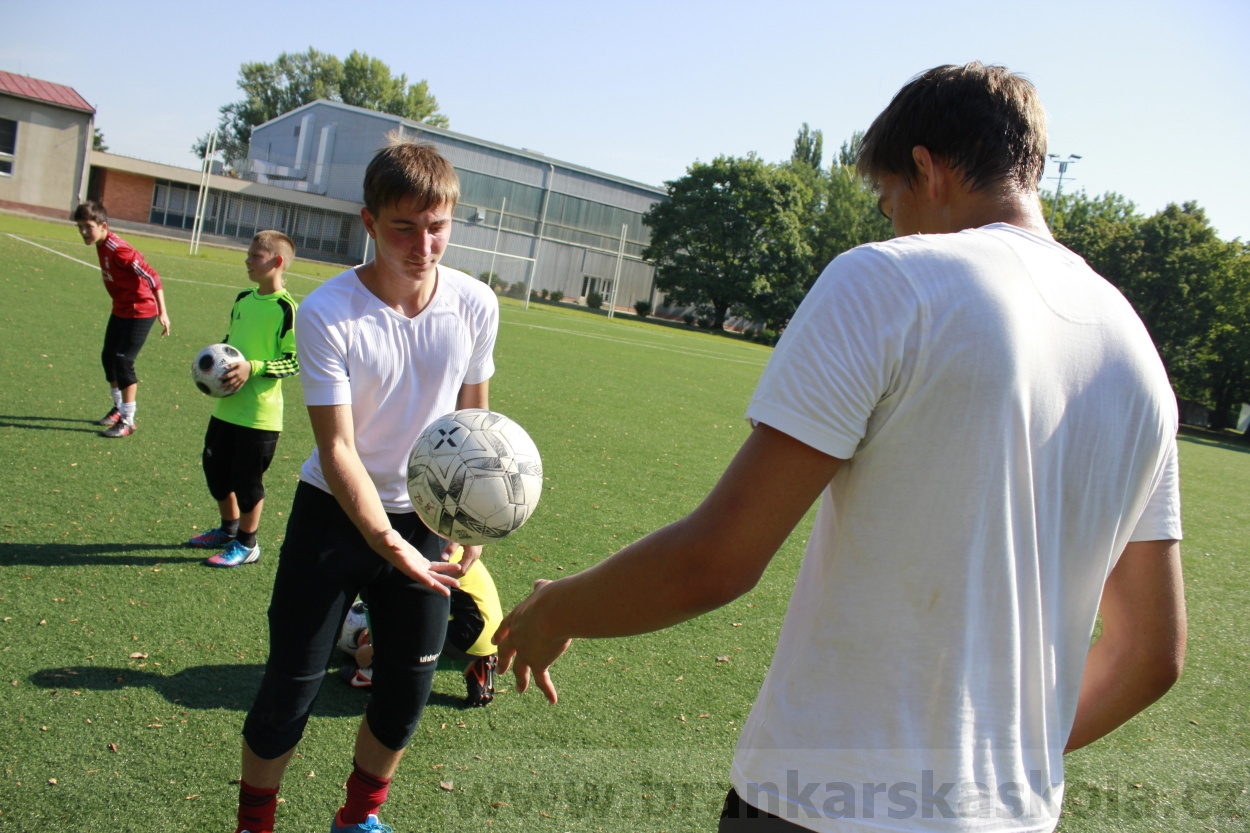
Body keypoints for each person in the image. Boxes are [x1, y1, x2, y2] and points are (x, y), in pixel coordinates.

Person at [495, 62, 1186, 833]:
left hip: (822, 802)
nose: (889, 221)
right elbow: (1153, 653)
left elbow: (715, 561)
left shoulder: (892, 282)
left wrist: (559, 608)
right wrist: (1004, 764)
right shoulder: (1139, 356)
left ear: (926, 168)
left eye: (888, 198)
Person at [231, 138, 499, 833]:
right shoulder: (328, 312)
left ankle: (357, 820)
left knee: (405, 694)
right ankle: (254, 823)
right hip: (334, 516)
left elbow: (472, 424)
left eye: (437, 225)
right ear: (369, 221)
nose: (424, 243)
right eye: (404, 226)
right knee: (289, 689)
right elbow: (338, 446)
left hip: (426, 517)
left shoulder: (475, 303)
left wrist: (464, 525)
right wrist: (383, 539)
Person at [186, 231, 300, 568]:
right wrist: (210, 364)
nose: (247, 261)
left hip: (259, 416)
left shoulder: (287, 308)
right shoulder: (242, 299)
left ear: (276, 262)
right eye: (248, 255)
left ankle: (247, 544)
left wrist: (253, 367)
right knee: (215, 470)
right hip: (226, 408)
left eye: (255, 256)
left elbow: (294, 361)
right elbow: (229, 344)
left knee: (247, 481)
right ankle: (227, 530)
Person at [337, 545, 504, 707]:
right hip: (486, 634)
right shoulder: (440, 542)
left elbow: (410, 608)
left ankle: (380, 670)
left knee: (380, 587)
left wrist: (375, 650)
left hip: (465, 633)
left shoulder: (417, 550)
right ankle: (473, 661)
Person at [73, 200, 171, 438]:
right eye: (80, 227)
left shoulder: (119, 249)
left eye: (88, 226)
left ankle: (128, 420)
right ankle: (118, 409)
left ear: (102, 225)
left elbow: (153, 276)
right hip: (121, 308)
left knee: (123, 361)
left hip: (140, 310)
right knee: (109, 357)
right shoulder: (101, 243)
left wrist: (163, 312)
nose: (84, 232)